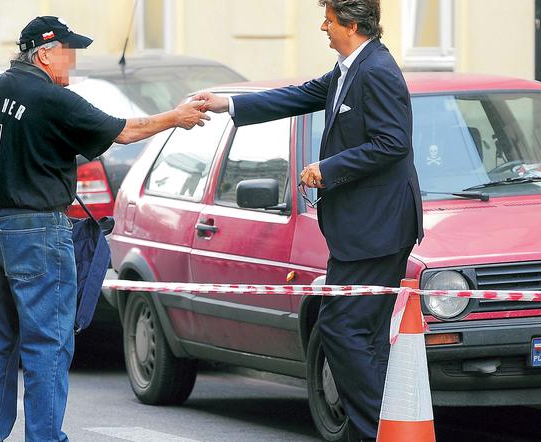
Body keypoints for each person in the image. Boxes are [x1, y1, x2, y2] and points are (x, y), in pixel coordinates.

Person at [0, 16, 208, 442]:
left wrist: (22, 153)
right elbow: (125, 133)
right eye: (69, 51)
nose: (73, 61)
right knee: (46, 346)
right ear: (45, 52)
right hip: (35, 231)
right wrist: (176, 117)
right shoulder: (51, 97)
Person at [193, 1, 422, 440]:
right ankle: (373, 432)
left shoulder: (376, 70)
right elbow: (298, 94)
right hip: (362, 230)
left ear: (352, 24)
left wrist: (328, 168)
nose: (324, 27)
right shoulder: (348, 68)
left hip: (377, 230)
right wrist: (228, 104)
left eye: (330, 20)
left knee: (341, 329)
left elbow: (393, 143)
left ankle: (386, 431)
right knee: (362, 336)